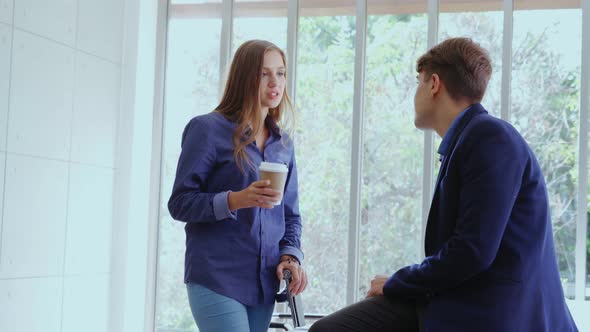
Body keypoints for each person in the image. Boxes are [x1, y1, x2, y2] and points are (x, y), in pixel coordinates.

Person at [309, 37, 578, 332]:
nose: (415, 93)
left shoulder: (489, 137)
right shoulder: (472, 139)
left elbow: (472, 250)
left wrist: (399, 282)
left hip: (495, 314)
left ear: (434, 83)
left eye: (418, 82)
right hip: (467, 305)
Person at [168, 39, 307, 332]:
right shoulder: (207, 129)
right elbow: (180, 202)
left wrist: (290, 256)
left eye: (280, 73)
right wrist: (235, 200)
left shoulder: (283, 145)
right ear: (245, 77)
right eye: (263, 73)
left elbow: (290, 215)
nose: (275, 82)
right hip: (216, 276)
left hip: (263, 283)